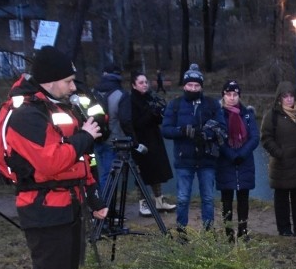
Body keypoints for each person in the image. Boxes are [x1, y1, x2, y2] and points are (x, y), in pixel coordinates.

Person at [0, 46, 107, 269]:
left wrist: (91, 195)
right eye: (69, 81)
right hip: (44, 211)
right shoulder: (27, 115)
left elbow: (77, 162)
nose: (74, 87)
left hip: (67, 205)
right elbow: (51, 162)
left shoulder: (53, 106)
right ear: (50, 81)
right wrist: (86, 136)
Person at [160, 63, 227, 234]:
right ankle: (181, 231)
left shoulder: (212, 104)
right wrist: (182, 131)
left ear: (201, 87)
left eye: (197, 85)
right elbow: (165, 129)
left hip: (207, 159)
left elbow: (223, 128)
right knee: (182, 199)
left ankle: (208, 232)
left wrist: (209, 134)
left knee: (208, 198)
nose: (193, 88)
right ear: (184, 85)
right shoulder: (174, 105)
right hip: (184, 159)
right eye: (190, 85)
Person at [261, 81, 296, 237]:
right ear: (279, 98)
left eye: (292, 96)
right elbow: (265, 138)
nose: (289, 99)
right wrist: (279, 153)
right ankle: (284, 229)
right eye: (285, 96)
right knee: (282, 199)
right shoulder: (272, 115)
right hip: (281, 164)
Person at [120, 71, 175, 217]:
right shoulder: (130, 100)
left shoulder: (151, 97)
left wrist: (159, 114)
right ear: (134, 85)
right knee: (142, 173)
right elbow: (132, 123)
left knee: (157, 170)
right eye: (141, 83)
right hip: (140, 141)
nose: (145, 85)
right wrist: (135, 143)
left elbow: (156, 119)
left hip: (154, 138)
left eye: (146, 82)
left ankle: (159, 200)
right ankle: (143, 202)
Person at [217, 79, 260, 242]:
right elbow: (218, 137)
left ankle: (243, 231)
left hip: (244, 161)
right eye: (228, 94)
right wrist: (230, 154)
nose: (232, 97)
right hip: (225, 161)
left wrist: (242, 153)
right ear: (223, 95)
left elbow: (255, 137)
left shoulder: (247, 114)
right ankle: (228, 233)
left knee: (243, 199)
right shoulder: (218, 113)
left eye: (235, 94)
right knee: (226, 199)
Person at [92, 63, 126, 193]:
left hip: (97, 137)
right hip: (114, 139)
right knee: (109, 174)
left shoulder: (94, 92)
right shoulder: (120, 93)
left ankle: (101, 203)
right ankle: (103, 206)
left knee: (104, 173)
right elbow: (125, 119)